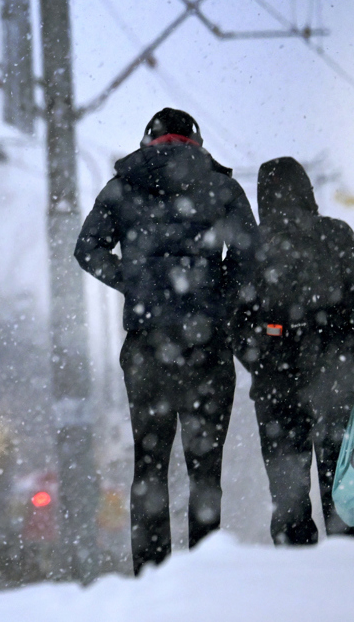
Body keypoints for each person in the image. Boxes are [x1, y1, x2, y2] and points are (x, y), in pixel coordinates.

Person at [74, 108, 258, 574]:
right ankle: (205, 574)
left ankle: (151, 576)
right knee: (205, 469)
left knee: (150, 467)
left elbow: (87, 249)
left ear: (148, 141)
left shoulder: (123, 185)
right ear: (196, 141)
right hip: (206, 346)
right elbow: (250, 256)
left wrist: (137, 284)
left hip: (147, 348)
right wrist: (215, 295)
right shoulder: (222, 188)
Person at [239, 157, 354, 545]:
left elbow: (236, 321)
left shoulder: (250, 248)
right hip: (336, 383)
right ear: (307, 191)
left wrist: (263, 363)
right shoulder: (336, 234)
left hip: (276, 392)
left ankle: (297, 573)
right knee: (346, 496)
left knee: (289, 503)